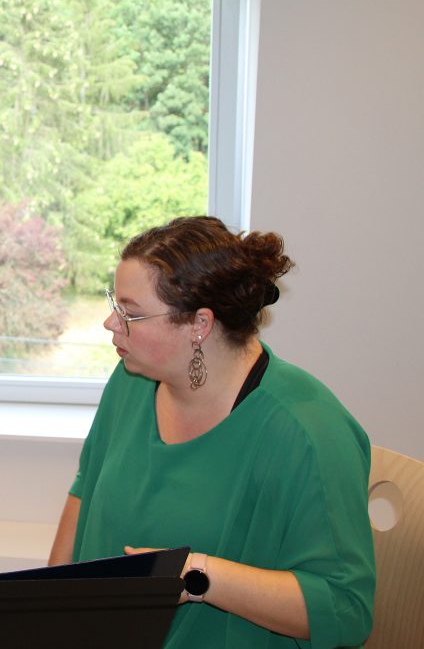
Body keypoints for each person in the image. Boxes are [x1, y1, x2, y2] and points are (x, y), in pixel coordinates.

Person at [48, 216, 375, 647]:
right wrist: (43, 611)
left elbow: (344, 609)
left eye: (129, 312)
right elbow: (83, 493)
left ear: (200, 324)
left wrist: (197, 575)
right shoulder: (130, 380)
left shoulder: (307, 432)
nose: (110, 323)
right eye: (114, 303)